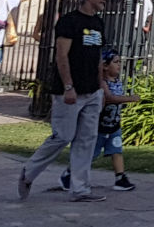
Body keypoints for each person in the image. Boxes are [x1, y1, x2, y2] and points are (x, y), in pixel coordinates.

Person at [17, 0, 109, 204]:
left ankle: (80, 189)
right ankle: (29, 172)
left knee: (86, 140)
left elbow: (97, 56)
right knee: (63, 136)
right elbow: (61, 55)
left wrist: (101, 86)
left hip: (91, 91)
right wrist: (68, 86)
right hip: (70, 91)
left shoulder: (98, 23)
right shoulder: (69, 22)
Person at [58, 51, 137, 194]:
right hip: (99, 127)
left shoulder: (117, 82)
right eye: (115, 62)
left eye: (119, 62)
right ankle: (70, 174)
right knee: (91, 154)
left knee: (116, 151)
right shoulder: (102, 84)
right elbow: (110, 98)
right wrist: (130, 99)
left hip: (114, 126)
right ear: (105, 66)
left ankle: (120, 178)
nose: (119, 65)